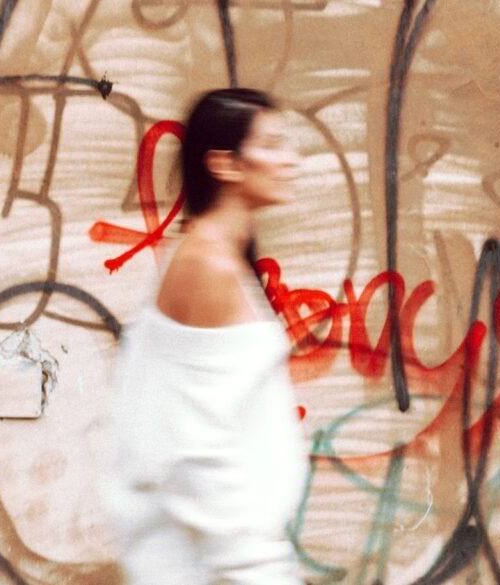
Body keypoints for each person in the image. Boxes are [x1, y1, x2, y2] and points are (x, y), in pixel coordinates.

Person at [102, 88, 308, 585]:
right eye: (274, 144)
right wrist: (260, 571)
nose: (291, 160)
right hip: (210, 568)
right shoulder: (208, 264)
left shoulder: (214, 255)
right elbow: (196, 448)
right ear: (226, 164)